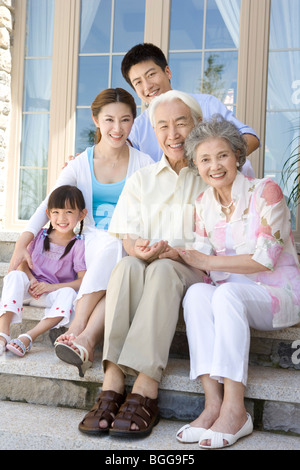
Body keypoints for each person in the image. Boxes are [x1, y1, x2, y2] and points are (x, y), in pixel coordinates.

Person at [78, 89, 206, 437]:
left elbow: (214, 245)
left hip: (192, 270)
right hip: (148, 269)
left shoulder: (210, 175)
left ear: (197, 126)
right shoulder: (142, 178)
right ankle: (113, 382)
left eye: (181, 123)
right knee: (128, 267)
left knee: (163, 268)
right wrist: (138, 248)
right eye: (162, 126)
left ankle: (146, 388)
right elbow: (127, 236)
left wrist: (172, 252)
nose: (173, 133)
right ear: (154, 131)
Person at [7, 88, 154, 376]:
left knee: (117, 252)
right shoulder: (80, 163)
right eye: (109, 119)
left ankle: (78, 329)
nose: (117, 128)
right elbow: (49, 201)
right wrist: (24, 238)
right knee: (111, 250)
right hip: (91, 241)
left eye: (125, 120)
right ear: (96, 119)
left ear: (133, 121)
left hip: (128, 241)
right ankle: (82, 337)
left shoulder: (144, 164)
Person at [175, 116, 300, 449]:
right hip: (228, 298)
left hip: (278, 295)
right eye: (204, 159)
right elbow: (199, 260)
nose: (214, 166)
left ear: (237, 156)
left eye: (222, 156)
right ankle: (212, 402)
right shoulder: (203, 205)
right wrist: (167, 252)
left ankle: (235, 408)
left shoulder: (265, 192)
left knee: (225, 293)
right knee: (197, 293)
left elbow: (264, 259)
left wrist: (206, 261)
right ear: (196, 166)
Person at [121, 42, 259, 175]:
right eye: (138, 82)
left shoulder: (206, 104)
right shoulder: (137, 128)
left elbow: (250, 138)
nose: (147, 86)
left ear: (167, 72)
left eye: (151, 75)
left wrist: (216, 166)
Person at [0, 186, 87, 362]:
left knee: (70, 293)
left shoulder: (78, 245)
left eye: (69, 211)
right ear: (48, 213)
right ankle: (3, 333)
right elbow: (23, 264)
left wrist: (51, 287)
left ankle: (28, 337)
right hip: (28, 291)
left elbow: (82, 281)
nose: (61, 218)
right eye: (56, 212)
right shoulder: (39, 235)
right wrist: (32, 280)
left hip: (51, 294)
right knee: (15, 276)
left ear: (81, 215)